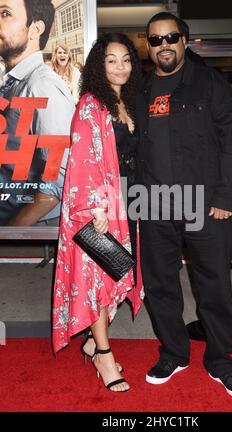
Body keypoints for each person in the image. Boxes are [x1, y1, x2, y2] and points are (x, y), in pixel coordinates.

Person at [136, 12, 232, 399]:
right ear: (148, 45)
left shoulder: (209, 83)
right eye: (155, 40)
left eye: (170, 37)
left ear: (185, 40)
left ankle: (221, 361)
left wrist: (223, 197)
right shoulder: (141, 87)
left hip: (204, 203)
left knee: (214, 286)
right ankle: (174, 353)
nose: (163, 45)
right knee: (160, 285)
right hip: (153, 202)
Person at [52, 33, 144, 393]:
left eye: (126, 60)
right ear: (98, 66)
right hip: (101, 207)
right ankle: (103, 355)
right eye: (111, 60)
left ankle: (92, 342)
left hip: (132, 202)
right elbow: (82, 158)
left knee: (121, 273)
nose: (120, 66)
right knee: (98, 282)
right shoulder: (91, 105)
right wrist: (96, 207)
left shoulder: (129, 101)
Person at [0, 0, 74, 226]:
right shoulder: (14, 81)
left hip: (31, 234)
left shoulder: (42, 86)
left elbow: (57, 180)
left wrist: (11, 235)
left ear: (35, 29)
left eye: (5, 13)